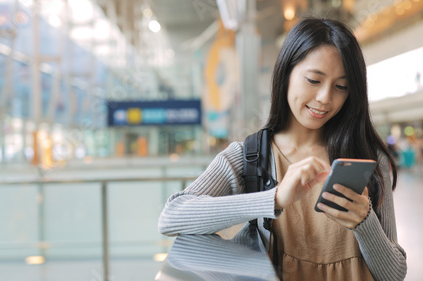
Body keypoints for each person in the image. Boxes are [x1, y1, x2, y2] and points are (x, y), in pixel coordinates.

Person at [158, 17, 407, 281]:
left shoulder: (368, 158)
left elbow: (394, 275)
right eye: (314, 80)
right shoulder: (250, 157)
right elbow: (172, 218)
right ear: (286, 73)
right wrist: (274, 199)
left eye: (341, 86)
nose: (325, 97)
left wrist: (365, 222)